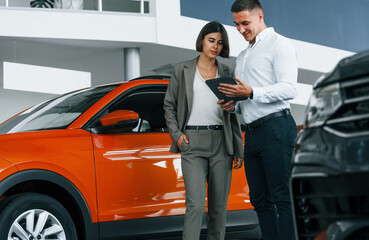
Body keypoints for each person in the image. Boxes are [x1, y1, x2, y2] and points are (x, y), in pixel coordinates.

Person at [217, 1, 298, 239]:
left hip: (277, 128)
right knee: (260, 200)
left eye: (245, 23)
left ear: (260, 16)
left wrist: (251, 92)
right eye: (236, 24)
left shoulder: (279, 44)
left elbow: (289, 89)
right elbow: (245, 100)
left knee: (282, 196)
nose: (240, 29)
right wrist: (234, 104)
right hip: (252, 133)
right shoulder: (242, 56)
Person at [163, 21, 244, 240]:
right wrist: (177, 136)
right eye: (211, 40)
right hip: (192, 141)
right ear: (202, 40)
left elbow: (232, 113)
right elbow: (169, 106)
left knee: (218, 209)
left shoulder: (227, 71)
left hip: (221, 142)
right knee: (196, 206)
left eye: (219, 43)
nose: (215, 46)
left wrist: (238, 149)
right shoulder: (182, 70)